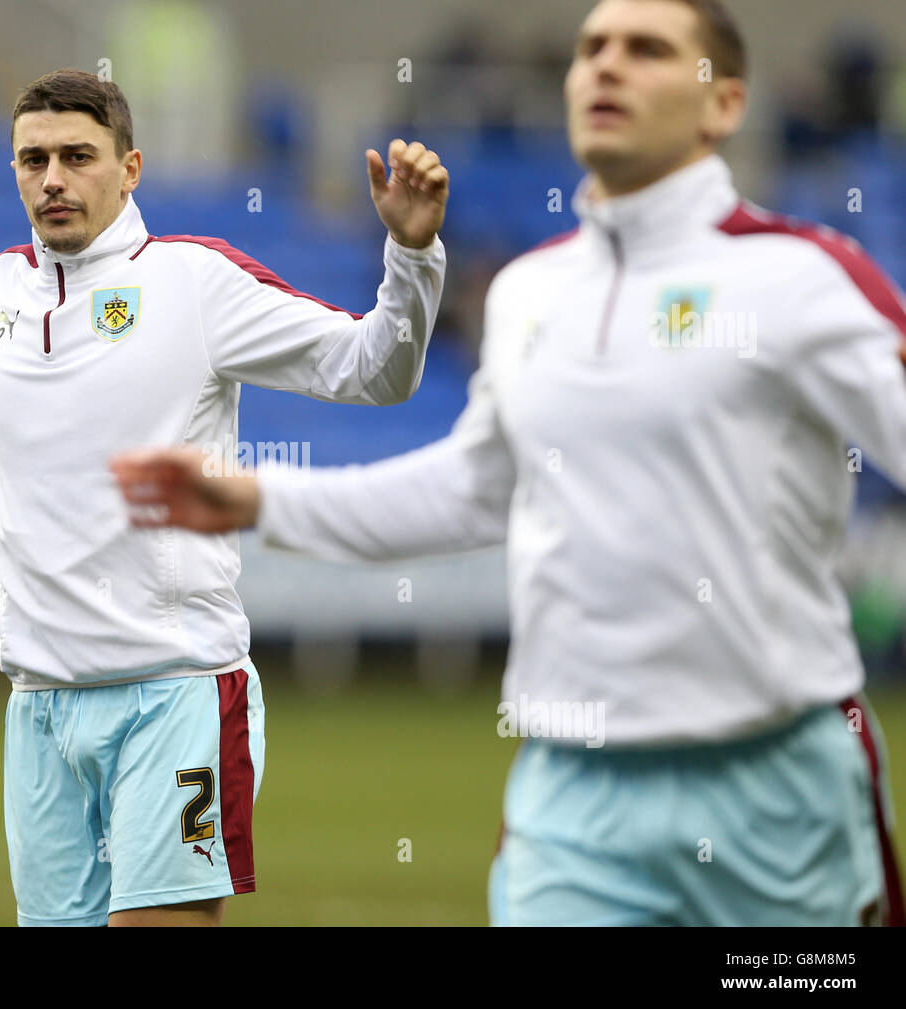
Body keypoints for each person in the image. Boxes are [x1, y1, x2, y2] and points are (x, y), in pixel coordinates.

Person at [111, 0, 906, 927]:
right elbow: (474, 488)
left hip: (777, 789)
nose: (607, 67)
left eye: (647, 51)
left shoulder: (804, 277)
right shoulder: (532, 292)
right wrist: (257, 499)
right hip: (573, 797)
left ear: (721, 103)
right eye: (591, 49)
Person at [0, 69, 450, 926]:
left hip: (174, 692)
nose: (53, 178)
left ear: (131, 167)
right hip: (40, 704)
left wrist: (410, 255)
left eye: (78, 156)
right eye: (32, 159)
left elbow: (377, 371)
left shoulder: (196, 283)